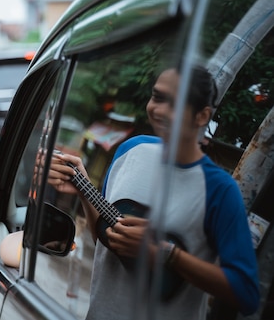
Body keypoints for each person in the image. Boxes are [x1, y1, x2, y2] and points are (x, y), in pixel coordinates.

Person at [51, 65, 259, 320]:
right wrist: (83, 189)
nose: (159, 110)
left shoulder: (219, 189)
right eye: (157, 97)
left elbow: (246, 294)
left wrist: (170, 256)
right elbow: (106, 242)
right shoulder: (130, 151)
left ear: (202, 116)